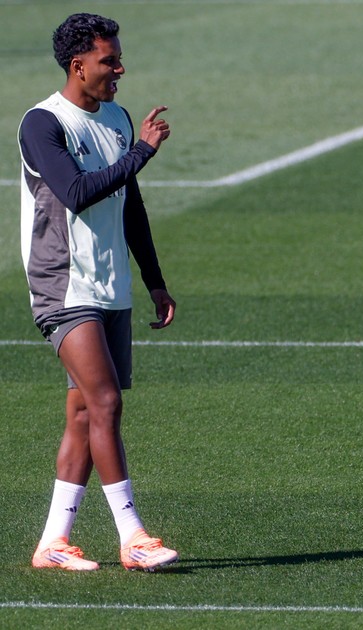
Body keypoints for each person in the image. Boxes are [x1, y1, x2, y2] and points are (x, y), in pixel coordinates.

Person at [20, 12, 179, 572]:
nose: (120, 69)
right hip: (63, 285)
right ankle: (132, 536)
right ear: (78, 65)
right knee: (106, 402)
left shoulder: (116, 118)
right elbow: (76, 191)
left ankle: (53, 542)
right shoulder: (43, 123)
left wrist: (154, 279)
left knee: (85, 413)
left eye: (119, 58)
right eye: (109, 60)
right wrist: (141, 152)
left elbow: (130, 206)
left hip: (112, 286)